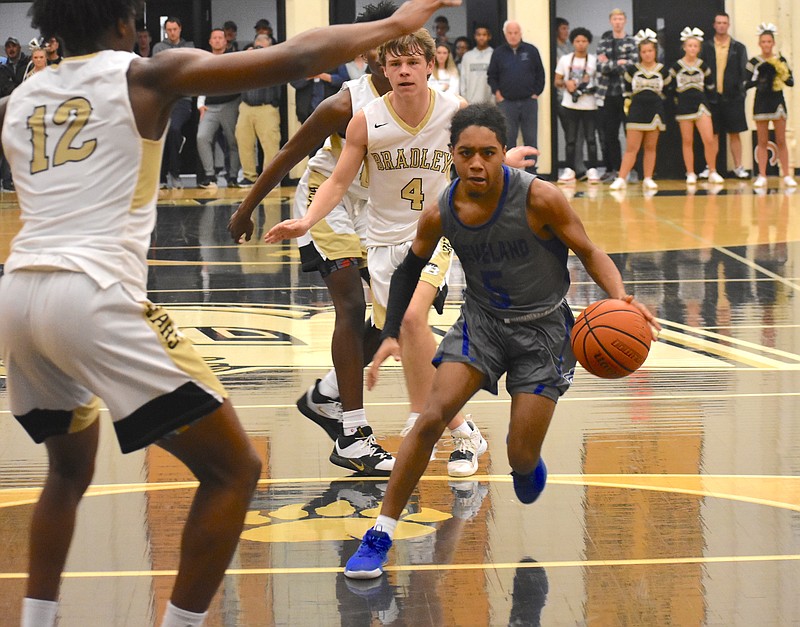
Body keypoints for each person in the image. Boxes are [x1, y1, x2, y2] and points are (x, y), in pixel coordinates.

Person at [0, 1, 466, 625]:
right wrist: (401, 20)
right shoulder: (144, 75)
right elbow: (298, 57)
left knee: (67, 468)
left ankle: (36, 618)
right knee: (234, 470)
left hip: (20, 293)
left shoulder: (23, 96)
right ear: (124, 25)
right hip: (93, 293)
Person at [341, 103, 660, 579]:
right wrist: (389, 334)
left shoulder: (540, 199)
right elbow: (409, 270)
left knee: (519, 454)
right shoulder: (441, 210)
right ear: (451, 153)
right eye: (466, 152)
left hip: (546, 331)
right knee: (430, 418)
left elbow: (590, 251)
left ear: (502, 154)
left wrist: (621, 299)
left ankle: (527, 464)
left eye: (487, 153)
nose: (476, 164)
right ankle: (380, 534)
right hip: (483, 324)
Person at [264, 29, 536, 478]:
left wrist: (504, 165)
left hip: (435, 232)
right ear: (382, 70)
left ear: (431, 64)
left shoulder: (454, 110)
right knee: (413, 341)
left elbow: (477, 156)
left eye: (413, 62)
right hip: (382, 242)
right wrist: (307, 221)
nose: (405, 70)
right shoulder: (365, 120)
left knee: (412, 321)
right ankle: (464, 430)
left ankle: (420, 423)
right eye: (395, 64)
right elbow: (335, 181)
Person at [610, 29, 672, 191]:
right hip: (636, 110)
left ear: (655, 51)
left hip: (655, 111)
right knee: (632, 148)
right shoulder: (632, 70)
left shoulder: (663, 71)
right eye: (644, 51)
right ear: (639, 53)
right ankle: (621, 178)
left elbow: (667, 92)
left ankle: (648, 178)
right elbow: (627, 91)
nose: (647, 54)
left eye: (650, 51)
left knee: (651, 147)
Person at [488, 20, 544, 168]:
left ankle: (531, 171)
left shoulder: (531, 50)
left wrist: (536, 93)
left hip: (529, 102)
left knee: (530, 138)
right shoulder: (498, 53)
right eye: (510, 33)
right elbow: (492, 76)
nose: (513, 36)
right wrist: (498, 94)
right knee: (508, 138)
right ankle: (509, 171)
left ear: (521, 33)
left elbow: (541, 74)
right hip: (506, 103)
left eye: (516, 33)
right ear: (505, 34)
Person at [670, 27, 723, 185]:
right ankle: (690, 172)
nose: (692, 48)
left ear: (699, 48)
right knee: (687, 141)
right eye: (689, 45)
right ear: (684, 47)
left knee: (709, 139)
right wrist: (676, 104)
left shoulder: (703, 66)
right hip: (684, 106)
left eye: (695, 46)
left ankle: (712, 170)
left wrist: (711, 102)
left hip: (701, 105)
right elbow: (670, 88)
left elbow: (710, 87)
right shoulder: (676, 67)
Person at [700, 12, 750, 180]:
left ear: (728, 25)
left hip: (733, 97)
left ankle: (738, 167)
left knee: (734, 133)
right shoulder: (705, 47)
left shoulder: (738, 47)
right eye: (718, 23)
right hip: (712, 97)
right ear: (714, 25)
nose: (721, 25)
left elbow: (745, 72)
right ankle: (711, 167)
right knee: (712, 134)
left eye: (724, 23)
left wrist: (741, 92)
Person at [746, 23, 795, 188]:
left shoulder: (780, 60)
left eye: (769, 41)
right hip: (761, 103)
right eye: (763, 42)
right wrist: (759, 79)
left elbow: (791, 82)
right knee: (762, 140)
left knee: (781, 139)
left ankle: (787, 175)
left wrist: (780, 73)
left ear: (773, 43)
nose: (766, 44)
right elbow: (745, 83)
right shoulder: (754, 62)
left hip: (777, 102)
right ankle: (762, 175)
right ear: (759, 43)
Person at [196, 28, 241, 189]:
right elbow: (200, 83)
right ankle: (209, 174)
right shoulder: (203, 59)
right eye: (214, 38)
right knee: (202, 137)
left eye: (220, 38)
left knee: (233, 141)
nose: (217, 40)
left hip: (231, 103)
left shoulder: (233, 58)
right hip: (210, 106)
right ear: (210, 41)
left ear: (225, 41)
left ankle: (233, 176)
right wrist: (200, 105)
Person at [152, 17, 195, 190]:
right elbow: (158, 72)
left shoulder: (189, 46)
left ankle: (175, 173)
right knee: (161, 133)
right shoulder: (158, 47)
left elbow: (189, 69)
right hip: (163, 99)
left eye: (174, 29)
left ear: (180, 29)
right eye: (168, 30)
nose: (171, 33)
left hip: (182, 99)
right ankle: (161, 176)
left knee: (175, 129)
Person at [595, 9, 637, 182]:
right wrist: (619, 63)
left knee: (631, 134)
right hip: (607, 95)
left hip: (627, 95)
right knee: (610, 134)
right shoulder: (604, 42)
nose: (618, 22)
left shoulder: (631, 41)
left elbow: (632, 66)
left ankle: (631, 170)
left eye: (620, 18)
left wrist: (610, 64)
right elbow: (599, 66)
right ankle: (615, 169)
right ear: (611, 21)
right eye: (615, 19)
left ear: (625, 21)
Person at [235, 34, 281, 187]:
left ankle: (270, 179)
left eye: (264, 42)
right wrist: (246, 56)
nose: (260, 45)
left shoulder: (276, 59)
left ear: (270, 45)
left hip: (266, 108)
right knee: (244, 141)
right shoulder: (247, 57)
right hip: (246, 106)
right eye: (258, 42)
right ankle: (249, 176)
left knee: (270, 143)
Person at [554, 27, 599, 184]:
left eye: (584, 41)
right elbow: (556, 80)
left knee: (591, 138)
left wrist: (590, 86)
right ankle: (569, 169)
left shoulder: (594, 60)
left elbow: (600, 82)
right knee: (570, 139)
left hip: (590, 105)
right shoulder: (565, 59)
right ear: (573, 42)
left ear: (588, 42)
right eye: (577, 41)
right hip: (569, 105)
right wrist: (566, 84)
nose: (581, 44)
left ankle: (593, 169)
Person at [459, 24, 493, 104]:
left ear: (489, 37)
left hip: (489, 104)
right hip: (470, 102)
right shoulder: (467, 56)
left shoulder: (494, 55)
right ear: (475, 36)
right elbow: (463, 79)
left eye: (484, 35)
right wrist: (464, 99)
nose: (481, 37)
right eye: (479, 35)